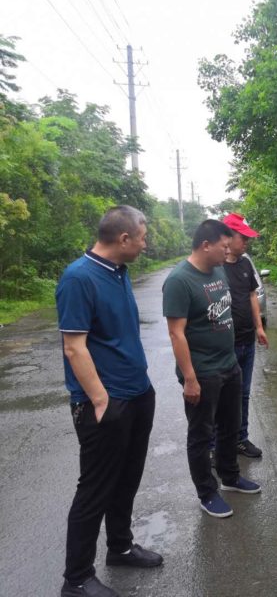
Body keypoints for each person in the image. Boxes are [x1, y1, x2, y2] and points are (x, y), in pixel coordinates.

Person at [56, 205, 163, 597]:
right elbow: (74, 347)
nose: (145, 244)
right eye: (143, 237)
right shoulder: (78, 278)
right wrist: (101, 400)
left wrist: (141, 388)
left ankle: (120, 546)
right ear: (124, 238)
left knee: (127, 479)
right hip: (105, 404)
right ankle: (77, 579)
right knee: (95, 489)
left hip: (137, 393)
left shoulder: (119, 271)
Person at [162, 219, 261, 519]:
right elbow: (176, 334)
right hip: (203, 372)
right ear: (206, 245)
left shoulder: (218, 271)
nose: (228, 251)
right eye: (223, 246)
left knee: (230, 426)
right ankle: (207, 492)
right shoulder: (179, 280)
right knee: (202, 435)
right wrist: (189, 378)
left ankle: (230, 477)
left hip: (229, 364)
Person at [221, 212, 268, 458]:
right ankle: (216, 446)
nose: (247, 242)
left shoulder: (246, 263)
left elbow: (252, 296)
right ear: (228, 237)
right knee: (221, 396)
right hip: (224, 346)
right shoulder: (215, 267)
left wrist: (259, 327)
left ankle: (241, 438)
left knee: (244, 393)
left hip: (247, 341)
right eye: (244, 238)